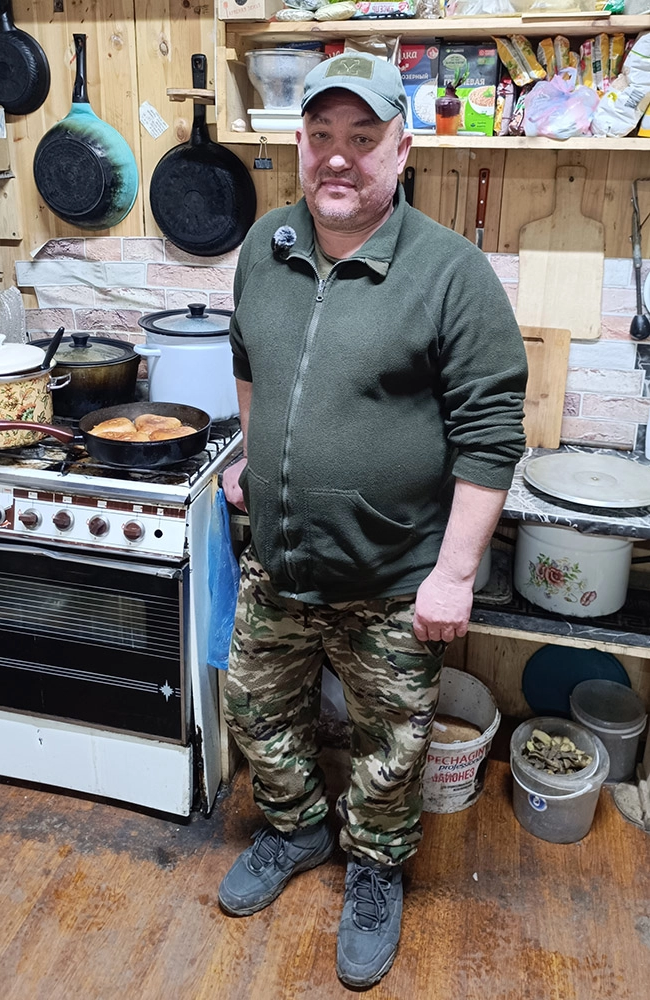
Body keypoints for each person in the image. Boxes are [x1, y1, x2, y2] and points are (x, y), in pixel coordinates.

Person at [218, 52, 528, 990]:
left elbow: (490, 434)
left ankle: (375, 868)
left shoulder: (449, 272)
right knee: (254, 710)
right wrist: (254, 454)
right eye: (320, 136)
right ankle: (296, 830)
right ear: (299, 144)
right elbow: (250, 365)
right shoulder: (265, 245)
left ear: (402, 150)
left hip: (393, 578)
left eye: (362, 138)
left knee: (390, 750)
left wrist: (455, 574)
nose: (337, 157)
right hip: (279, 561)